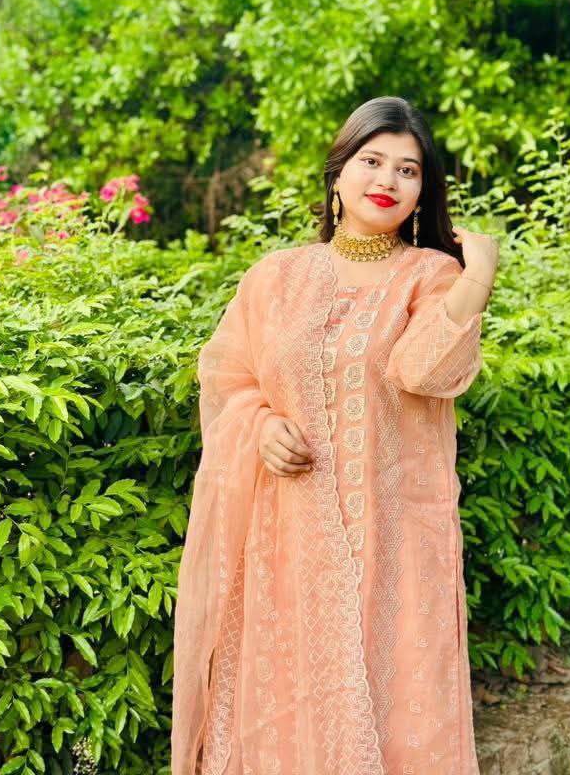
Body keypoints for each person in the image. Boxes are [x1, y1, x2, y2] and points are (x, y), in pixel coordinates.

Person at [172, 95, 499, 775]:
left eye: (408, 170)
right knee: (289, 703)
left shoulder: (429, 276)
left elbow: (425, 369)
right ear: (338, 172)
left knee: (394, 707)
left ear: (424, 191)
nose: (387, 181)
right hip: (288, 537)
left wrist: (478, 278)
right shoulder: (277, 277)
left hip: (395, 541)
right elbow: (228, 377)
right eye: (372, 161)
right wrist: (261, 426)